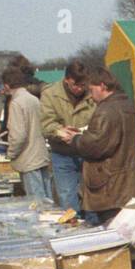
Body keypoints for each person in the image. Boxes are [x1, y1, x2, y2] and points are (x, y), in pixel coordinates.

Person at [56, 67, 135, 223]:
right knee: (124, 225)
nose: (90, 95)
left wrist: (74, 140)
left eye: (91, 89)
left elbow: (95, 145)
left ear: (102, 86)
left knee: (112, 228)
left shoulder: (106, 110)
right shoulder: (127, 105)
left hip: (109, 184)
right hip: (126, 179)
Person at [40, 60, 95, 217]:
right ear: (66, 80)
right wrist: (60, 131)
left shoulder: (93, 94)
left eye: (82, 85)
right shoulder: (50, 94)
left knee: (93, 198)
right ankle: (73, 229)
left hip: (88, 152)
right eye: (74, 85)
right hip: (62, 152)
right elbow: (45, 124)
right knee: (67, 198)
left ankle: (94, 230)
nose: (79, 89)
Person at [1, 66, 54, 201]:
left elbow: (18, 136)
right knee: (48, 201)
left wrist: (10, 153)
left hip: (28, 159)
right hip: (40, 156)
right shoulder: (34, 99)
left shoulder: (16, 103)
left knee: (37, 204)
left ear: (7, 85)